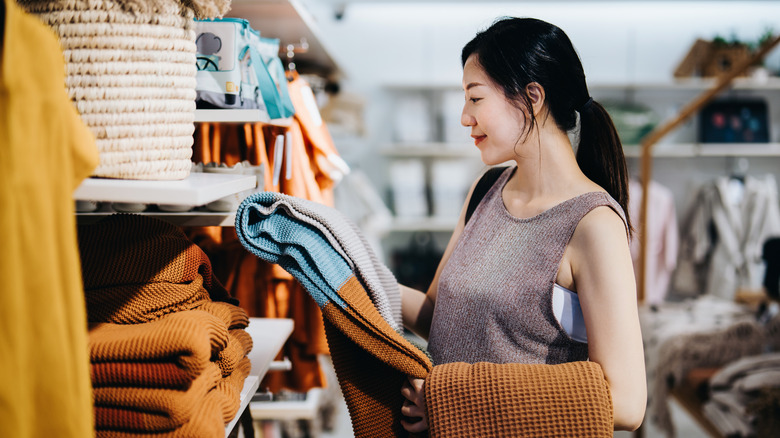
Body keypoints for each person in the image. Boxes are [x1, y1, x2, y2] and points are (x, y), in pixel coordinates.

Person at [398, 17, 646, 432]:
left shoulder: (592, 224)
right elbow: (438, 315)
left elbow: (625, 401)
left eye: (474, 98)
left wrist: (452, 399)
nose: (464, 117)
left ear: (532, 96)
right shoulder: (487, 189)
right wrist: (340, 266)